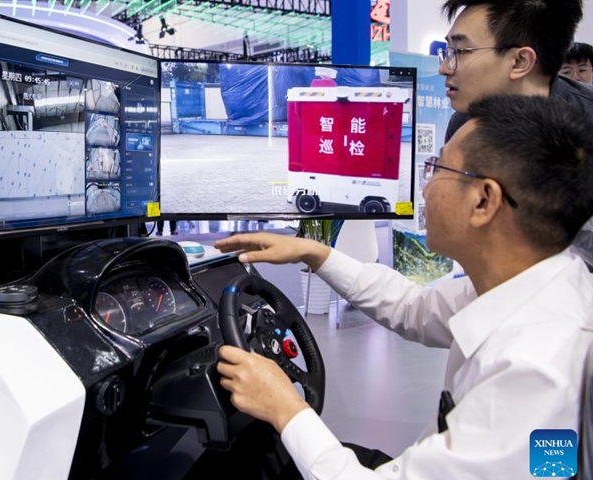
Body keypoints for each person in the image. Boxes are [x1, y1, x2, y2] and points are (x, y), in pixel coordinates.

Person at [213, 95, 593, 479]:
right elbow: (413, 306)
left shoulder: (535, 369)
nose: (425, 188)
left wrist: (284, 406)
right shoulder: (533, 283)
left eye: (439, 168)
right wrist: (315, 253)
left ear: (484, 200)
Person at [439, 0, 593, 142]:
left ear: (520, 62)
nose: (444, 68)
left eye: (460, 51)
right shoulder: (463, 124)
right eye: (448, 51)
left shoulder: (587, 119)